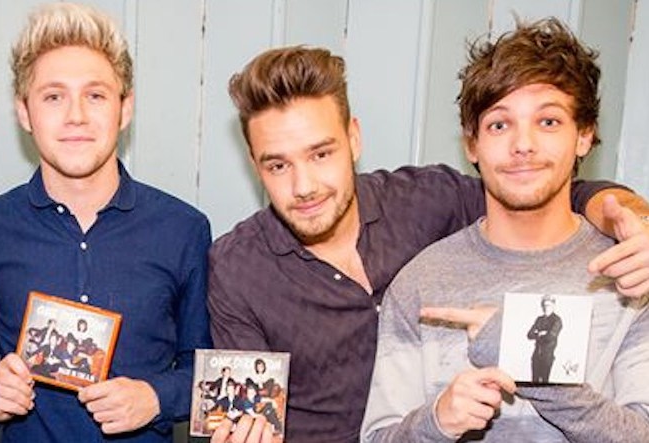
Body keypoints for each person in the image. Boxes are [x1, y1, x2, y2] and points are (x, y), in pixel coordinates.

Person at [208, 41, 649, 443]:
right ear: (254, 164)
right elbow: (246, 410)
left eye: (321, 154)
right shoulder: (237, 268)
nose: (304, 186)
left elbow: (536, 185)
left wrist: (631, 220)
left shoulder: (428, 200)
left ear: (354, 139)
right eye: (278, 166)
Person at [361, 18, 649, 441]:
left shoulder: (631, 274)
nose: (523, 145)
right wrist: (435, 422)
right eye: (499, 124)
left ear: (584, 135)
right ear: (472, 144)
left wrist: (521, 360)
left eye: (548, 122)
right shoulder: (422, 283)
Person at [0, 2, 212, 441]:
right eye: (53, 96)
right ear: (24, 112)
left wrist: (156, 397)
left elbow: (205, 367)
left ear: (124, 109)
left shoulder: (183, 230)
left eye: (95, 95)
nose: (76, 115)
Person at [528, 294, 563, 383]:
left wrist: (538, 334)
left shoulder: (557, 320)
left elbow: (550, 337)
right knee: (534, 381)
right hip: (536, 356)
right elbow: (529, 335)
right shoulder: (539, 319)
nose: (546, 308)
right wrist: (541, 333)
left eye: (548, 305)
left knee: (544, 382)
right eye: (544, 305)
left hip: (547, 356)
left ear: (553, 306)